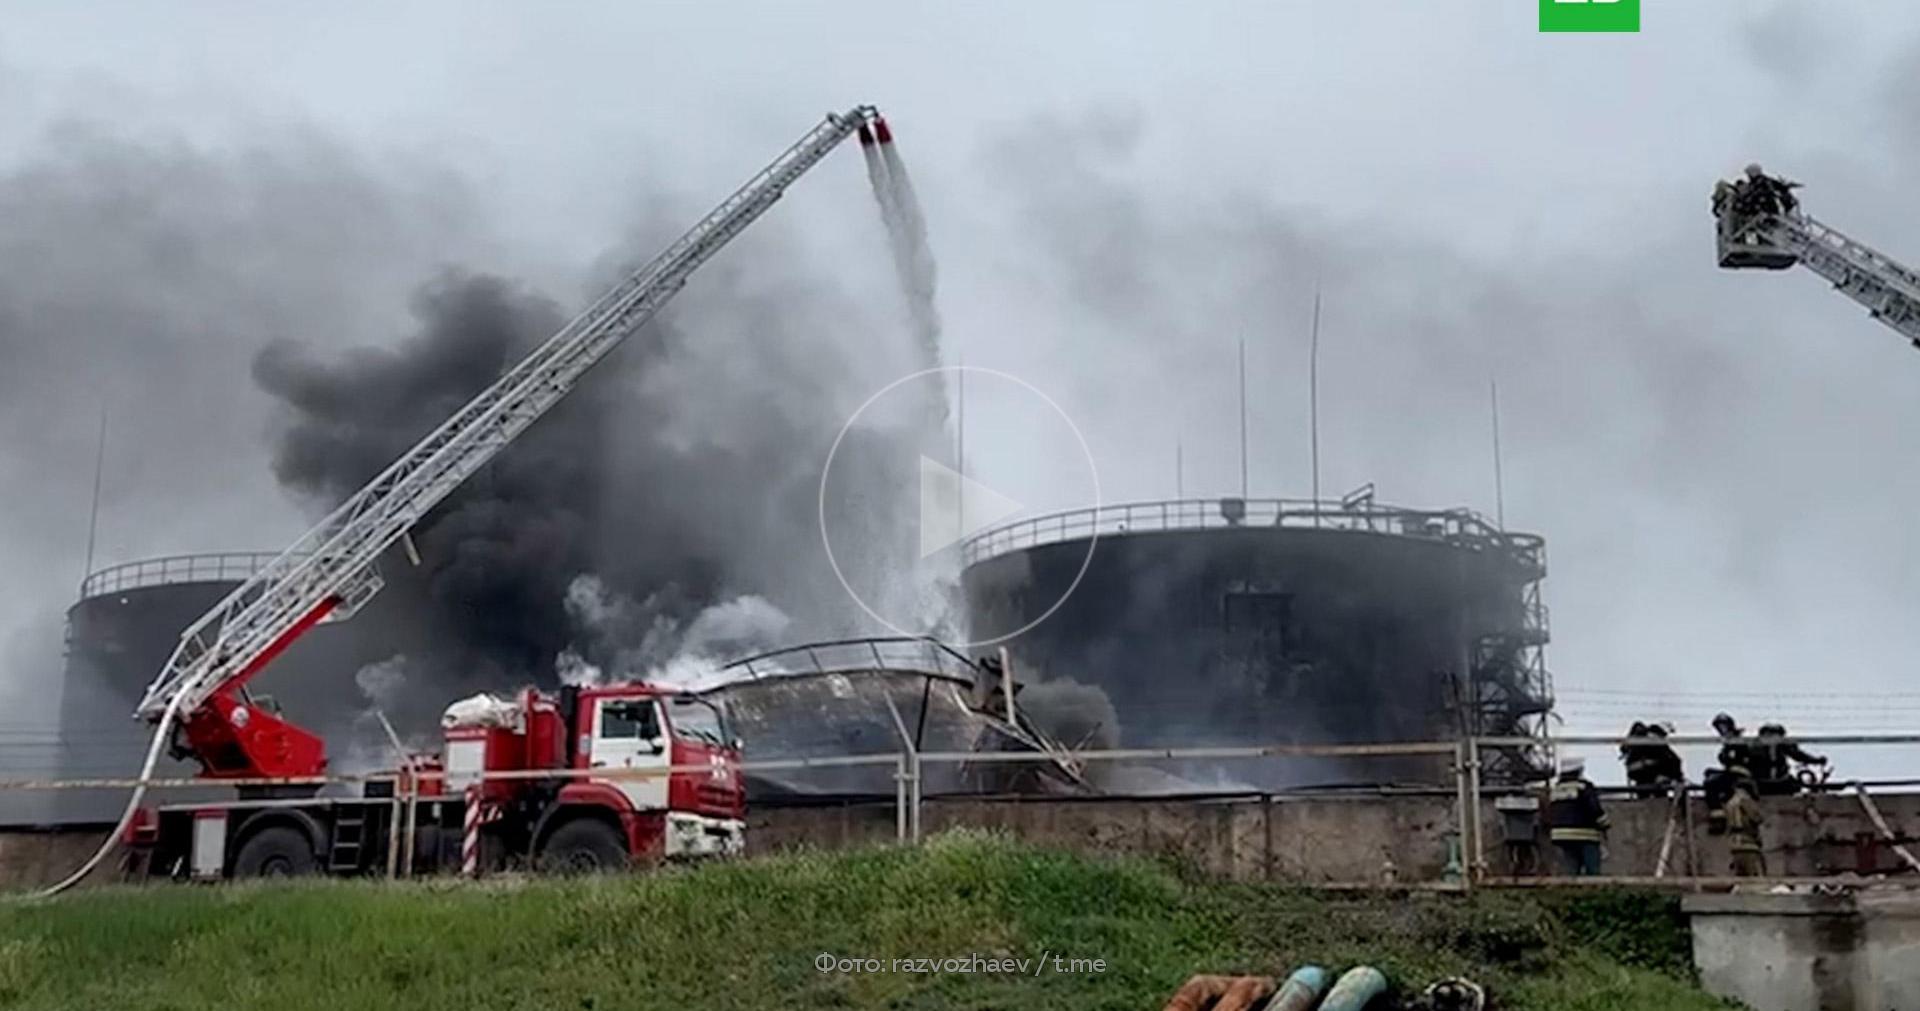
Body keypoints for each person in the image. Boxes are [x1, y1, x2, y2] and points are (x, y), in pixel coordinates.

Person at [1547, 757, 1609, 877]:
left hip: (1561, 835)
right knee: (1592, 868)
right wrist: (1605, 824)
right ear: (1578, 771)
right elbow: (1595, 809)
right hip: (1584, 834)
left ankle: (1571, 886)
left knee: (1571, 868)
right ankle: (1593, 886)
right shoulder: (1583, 787)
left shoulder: (1556, 789)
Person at [1753, 723, 1827, 796]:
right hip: (1763, 782)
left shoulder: (1785, 745)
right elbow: (1799, 756)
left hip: (1780, 780)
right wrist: (1816, 761)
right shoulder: (1754, 746)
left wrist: (1816, 760)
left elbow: (1798, 755)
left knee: (1796, 785)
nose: (1773, 738)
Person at [1620, 721, 1684, 797]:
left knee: (1647, 791)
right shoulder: (1655, 742)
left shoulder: (1642, 740)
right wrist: (1678, 777)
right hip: (1648, 773)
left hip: (1640, 773)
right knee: (1657, 791)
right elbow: (1673, 759)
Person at [1724, 772, 1767, 878]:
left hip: (1734, 843)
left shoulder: (1730, 802)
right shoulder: (1745, 800)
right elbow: (1757, 818)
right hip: (1748, 843)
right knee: (1755, 877)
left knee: (1739, 877)